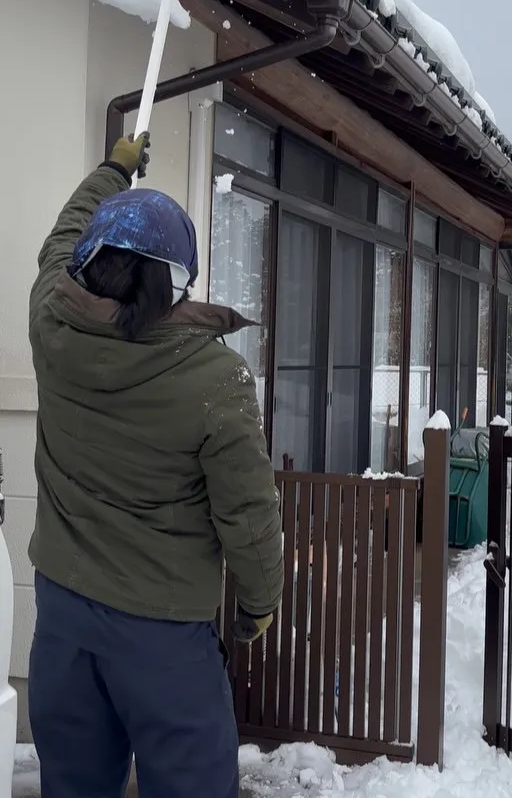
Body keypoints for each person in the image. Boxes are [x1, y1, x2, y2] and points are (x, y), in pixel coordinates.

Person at [26, 135, 283, 798]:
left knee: (74, 785)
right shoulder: (214, 378)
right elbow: (248, 511)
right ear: (175, 282)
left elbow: (61, 236)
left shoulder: (51, 325)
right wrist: (258, 602)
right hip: (162, 633)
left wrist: (113, 170)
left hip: (62, 617)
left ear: (89, 262)